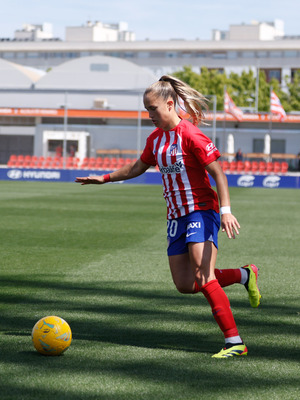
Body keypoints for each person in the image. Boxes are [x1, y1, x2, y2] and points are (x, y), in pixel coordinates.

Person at [76, 75, 261, 358]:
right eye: (146, 109)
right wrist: (105, 178)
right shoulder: (155, 139)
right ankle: (244, 275)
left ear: (171, 104)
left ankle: (234, 342)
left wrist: (225, 211)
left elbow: (218, 174)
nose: (149, 114)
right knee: (186, 284)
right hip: (176, 216)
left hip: (201, 209)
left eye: (153, 109)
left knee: (203, 273)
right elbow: (138, 167)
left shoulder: (191, 135)